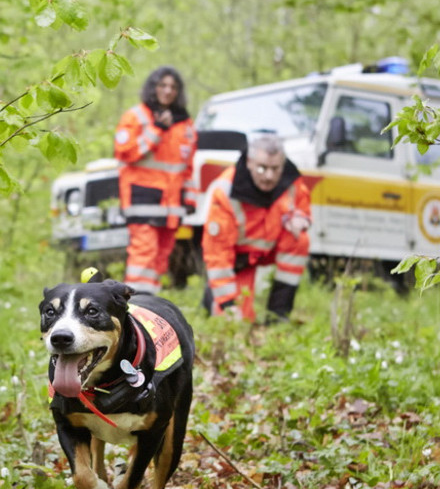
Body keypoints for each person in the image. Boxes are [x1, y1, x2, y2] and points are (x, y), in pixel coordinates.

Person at [202, 132, 311, 323]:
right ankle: (212, 298)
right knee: (236, 319)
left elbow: (302, 204)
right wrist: (228, 304)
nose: (269, 176)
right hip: (239, 261)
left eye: (275, 169)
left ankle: (279, 314)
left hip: (267, 250)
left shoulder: (291, 180)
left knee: (299, 239)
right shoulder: (226, 191)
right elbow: (218, 254)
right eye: (262, 168)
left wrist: (300, 218)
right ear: (250, 162)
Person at [113, 66, 198, 294]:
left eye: (173, 87)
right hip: (142, 198)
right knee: (143, 255)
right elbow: (126, 152)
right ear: (153, 87)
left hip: (171, 205)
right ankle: (135, 306)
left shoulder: (186, 125)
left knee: (160, 259)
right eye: (163, 85)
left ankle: (150, 305)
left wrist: (189, 200)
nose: (168, 91)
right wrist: (156, 130)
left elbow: (187, 168)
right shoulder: (136, 116)